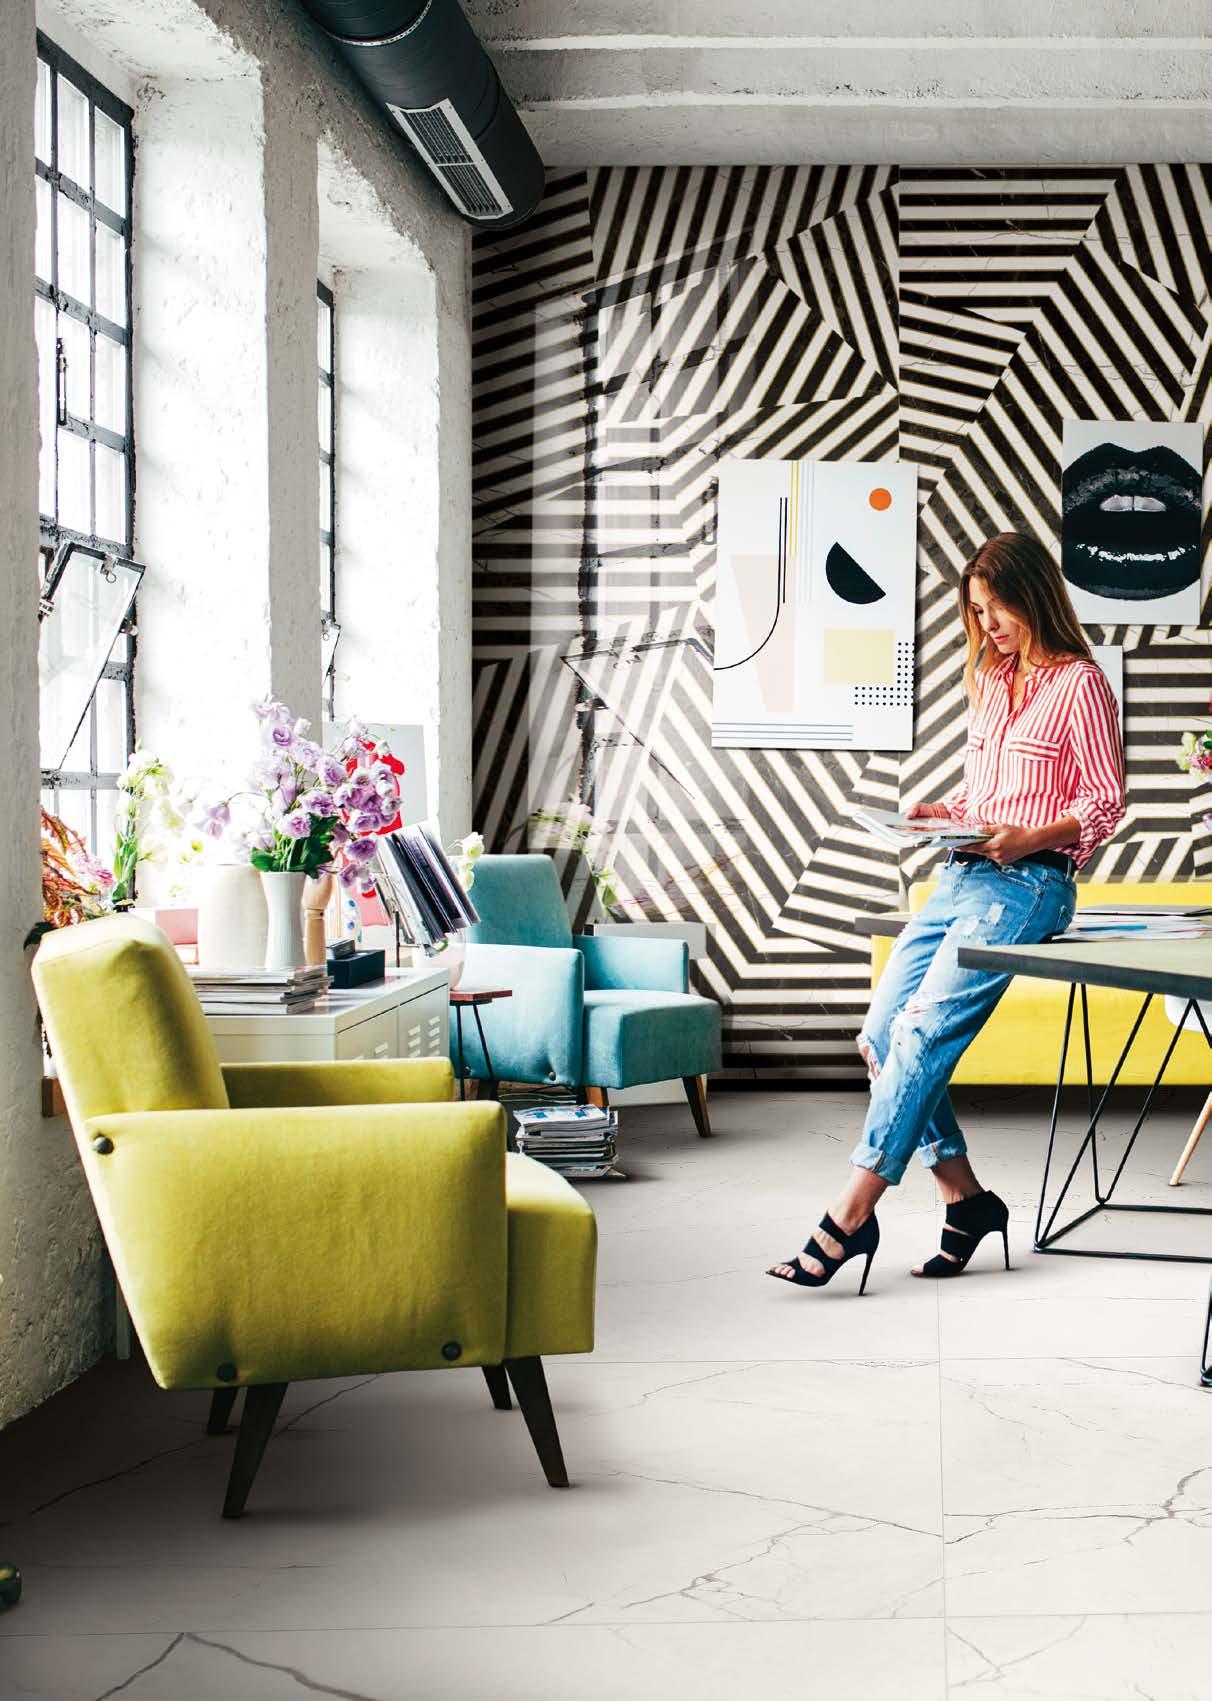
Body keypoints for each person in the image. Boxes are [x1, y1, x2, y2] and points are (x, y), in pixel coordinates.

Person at [768, 531, 1126, 1291]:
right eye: (977, 610)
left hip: (1029, 885)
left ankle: (850, 1216)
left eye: (998, 607)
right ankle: (966, 1202)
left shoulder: (1082, 683)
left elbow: (1104, 802)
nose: (988, 624)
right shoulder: (992, 678)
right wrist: (944, 813)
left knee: (923, 1032)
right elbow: (985, 794)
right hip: (960, 874)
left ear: (1033, 595)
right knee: (880, 1034)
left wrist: (1030, 836)